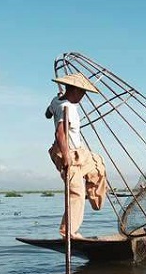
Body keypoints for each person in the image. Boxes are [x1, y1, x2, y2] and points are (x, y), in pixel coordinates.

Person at [46, 72, 108, 238]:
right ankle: (68, 232)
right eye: (81, 93)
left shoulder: (57, 100)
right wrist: (66, 158)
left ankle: (95, 198)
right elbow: (60, 134)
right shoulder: (68, 108)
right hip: (67, 152)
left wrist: (54, 107)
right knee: (76, 194)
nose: (82, 96)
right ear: (73, 90)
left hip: (78, 151)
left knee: (97, 163)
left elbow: (48, 113)